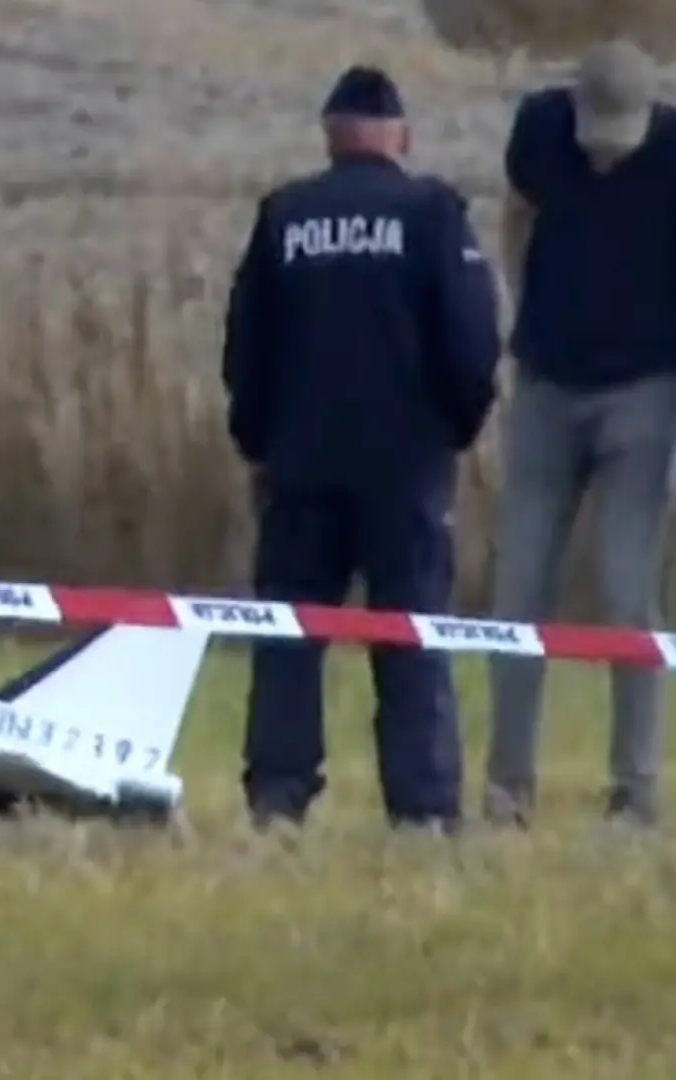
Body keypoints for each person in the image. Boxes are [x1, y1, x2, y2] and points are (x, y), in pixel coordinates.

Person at [220, 65, 501, 832]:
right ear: (400, 136)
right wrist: (457, 429)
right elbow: (472, 341)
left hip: (300, 463)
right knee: (411, 636)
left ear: (330, 136)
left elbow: (246, 346)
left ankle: (278, 796)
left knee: (288, 636)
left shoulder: (285, 215)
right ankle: (423, 808)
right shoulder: (432, 213)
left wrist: (257, 441)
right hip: (405, 467)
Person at [481, 38, 676, 829]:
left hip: (642, 396)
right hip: (546, 390)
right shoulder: (538, 128)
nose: (602, 154)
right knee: (517, 591)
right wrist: (525, 312)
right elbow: (515, 218)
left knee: (628, 593)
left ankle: (636, 789)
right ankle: (506, 787)